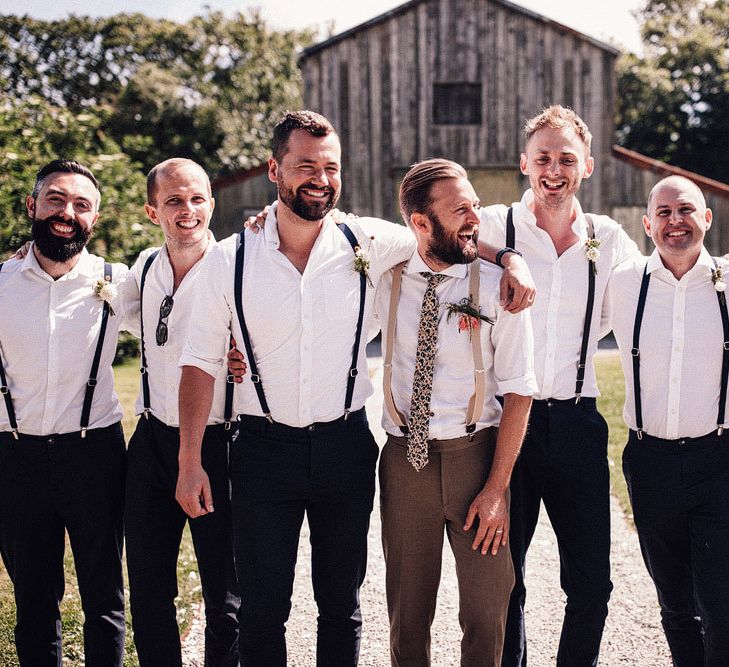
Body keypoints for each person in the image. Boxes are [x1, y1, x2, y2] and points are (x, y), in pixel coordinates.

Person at [177, 109, 533, 666]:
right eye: (305, 166)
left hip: (345, 446)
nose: (320, 178)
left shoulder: (365, 240)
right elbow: (199, 361)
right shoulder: (230, 257)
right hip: (262, 449)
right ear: (274, 169)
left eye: (331, 166)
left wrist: (512, 258)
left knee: (340, 605)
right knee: (263, 607)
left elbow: (449, 235)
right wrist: (190, 459)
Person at [477, 105, 641, 667]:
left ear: (587, 166)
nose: (553, 169)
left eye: (566, 159)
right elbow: (439, 232)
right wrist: (508, 258)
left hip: (577, 422)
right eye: (543, 157)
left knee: (593, 583)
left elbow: (657, 291)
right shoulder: (497, 223)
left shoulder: (609, 237)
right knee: (507, 581)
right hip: (505, 426)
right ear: (525, 162)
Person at [375, 158, 536, 666]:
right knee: (407, 613)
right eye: (460, 209)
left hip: (477, 459)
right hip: (405, 463)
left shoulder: (499, 288)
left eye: (476, 206)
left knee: (488, 613)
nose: (474, 218)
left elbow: (519, 391)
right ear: (420, 223)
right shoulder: (382, 279)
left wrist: (495, 490)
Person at [0, 159, 130, 666]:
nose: (66, 212)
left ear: (93, 219)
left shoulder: (120, 282)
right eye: (55, 199)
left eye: (81, 205)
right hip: (15, 456)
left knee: (105, 596)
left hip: (93, 454)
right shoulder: (2, 283)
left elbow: (184, 321)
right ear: (32, 206)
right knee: (33, 601)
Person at [123, 158, 240, 666]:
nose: (187, 210)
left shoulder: (239, 266)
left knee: (226, 593)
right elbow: (87, 299)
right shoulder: (144, 269)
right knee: (148, 589)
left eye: (197, 199)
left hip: (221, 441)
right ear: (153, 211)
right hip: (150, 442)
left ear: (212, 204)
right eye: (174, 200)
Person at [608, 175, 729, 666]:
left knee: (721, 607)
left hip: (718, 460)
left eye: (685, 211)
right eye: (664, 213)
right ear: (647, 225)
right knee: (675, 604)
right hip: (649, 459)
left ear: (707, 218)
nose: (675, 222)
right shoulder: (622, 282)